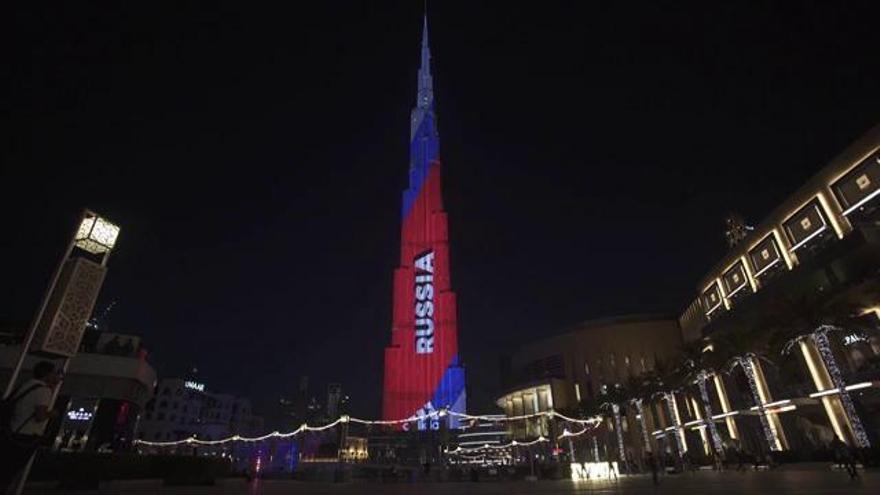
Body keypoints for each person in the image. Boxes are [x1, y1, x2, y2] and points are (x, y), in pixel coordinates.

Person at [0, 361, 63, 491]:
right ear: (48, 374)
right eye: (55, 373)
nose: (57, 376)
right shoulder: (43, 390)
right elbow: (40, 416)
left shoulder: (27, 385)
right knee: (10, 472)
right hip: (26, 436)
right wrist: (52, 414)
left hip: (12, 430)